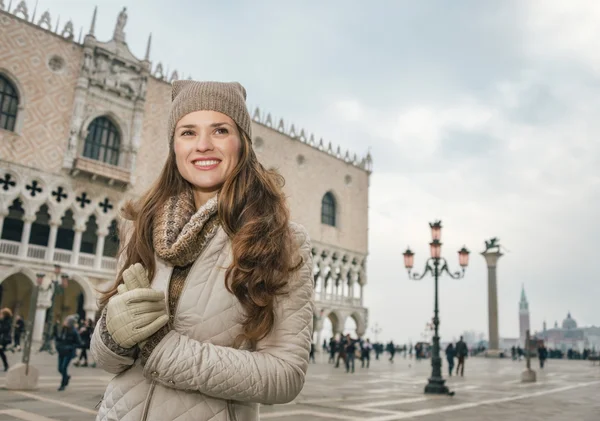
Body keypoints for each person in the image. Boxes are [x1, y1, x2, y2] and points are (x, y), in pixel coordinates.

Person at [90, 81, 314, 421]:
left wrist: (163, 350)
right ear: (174, 146)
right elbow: (108, 362)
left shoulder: (278, 240)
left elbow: (285, 375)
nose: (203, 146)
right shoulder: (141, 228)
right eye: (188, 132)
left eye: (220, 130)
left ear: (242, 144)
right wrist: (112, 335)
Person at [55, 315, 83, 391]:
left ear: (70, 323)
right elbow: (60, 338)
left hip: (68, 352)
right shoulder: (63, 329)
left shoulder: (74, 332)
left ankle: (63, 384)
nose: (64, 322)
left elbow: (79, 343)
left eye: (66, 321)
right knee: (60, 368)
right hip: (61, 351)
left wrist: (71, 347)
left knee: (64, 367)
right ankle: (66, 377)